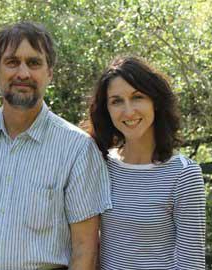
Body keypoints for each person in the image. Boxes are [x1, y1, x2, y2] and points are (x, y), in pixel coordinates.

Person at [0, 22, 112, 270]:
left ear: (50, 73)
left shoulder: (77, 148)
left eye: (34, 63)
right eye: (12, 62)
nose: (22, 73)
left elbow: (85, 248)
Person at [86, 56, 205, 269]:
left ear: (155, 102)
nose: (129, 111)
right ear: (107, 109)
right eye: (116, 101)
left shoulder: (185, 175)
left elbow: (192, 264)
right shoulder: (100, 165)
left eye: (137, 97)